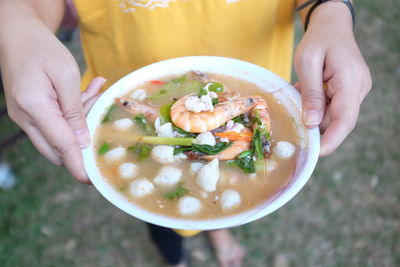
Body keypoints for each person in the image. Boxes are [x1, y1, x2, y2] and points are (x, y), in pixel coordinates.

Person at [0, 0, 371, 266]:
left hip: (255, 89)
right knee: (163, 216)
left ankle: (219, 230)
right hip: (124, 81)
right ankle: (176, 257)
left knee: (233, 191)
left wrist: (332, 13)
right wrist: (15, 17)